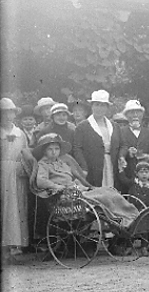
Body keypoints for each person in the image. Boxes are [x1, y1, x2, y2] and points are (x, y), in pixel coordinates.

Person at [34, 133, 140, 228]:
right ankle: (120, 221)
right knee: (103, 197)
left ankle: (132, 215)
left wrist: (83, 186)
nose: (54, 152)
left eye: (56, 149)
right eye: (50, 149)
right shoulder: (43, 165)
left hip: (77, 190)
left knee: (110, 191)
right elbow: (40, 181)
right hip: (66, 195)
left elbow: (74, 178)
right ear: (44, 151)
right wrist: (56, 186)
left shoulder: (61, 162)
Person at [73, 90, 121, 188]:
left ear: (107, 108)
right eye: (97, 105)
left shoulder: (114, 126)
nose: (99, 108)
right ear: (92, 106)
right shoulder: (82, 127)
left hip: (111, 164)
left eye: (103, 105)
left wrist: (122, 157)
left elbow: (122, 145)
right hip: (92, 167)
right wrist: (84, 166)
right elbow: (77, 148)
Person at [1, 98, 29, 262]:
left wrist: (23, 168)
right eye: (3, 113)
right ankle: (4, 245)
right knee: (5, 206)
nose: (7, 116)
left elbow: (26, 153)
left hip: (17, 172)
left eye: (10, 112)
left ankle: (16, 244)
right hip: (2, 172)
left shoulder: (20, 133)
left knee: (18, 206)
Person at [118, 161, 149, 256]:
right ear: (136, 173)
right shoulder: (133, 183)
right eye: (141, 172)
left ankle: (144, 247)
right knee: (130, 228)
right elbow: (123, 180)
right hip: (132, 211)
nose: (144, 174)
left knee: (145, 229)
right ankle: (129, 246)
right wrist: (121, 170)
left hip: (145, 213)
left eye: (146, 172)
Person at [118, 100, 149, 189]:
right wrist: (127, 153)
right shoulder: (120, 132)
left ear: (142, 115)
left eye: (138, 112)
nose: (135, 115)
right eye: (131, 112)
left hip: (147, 179)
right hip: (127, 177)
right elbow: (116, 153)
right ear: (126, 115)